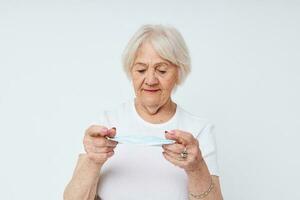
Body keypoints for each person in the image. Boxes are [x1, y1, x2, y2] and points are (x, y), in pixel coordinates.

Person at [64, 24, 223, 200]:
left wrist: (196, 168)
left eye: (161, 70)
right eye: (141, 70)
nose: (150, 80)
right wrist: (93, 161)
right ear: (131, 71)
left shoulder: (198, 130)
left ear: (179, 72)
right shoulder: (106, 123)